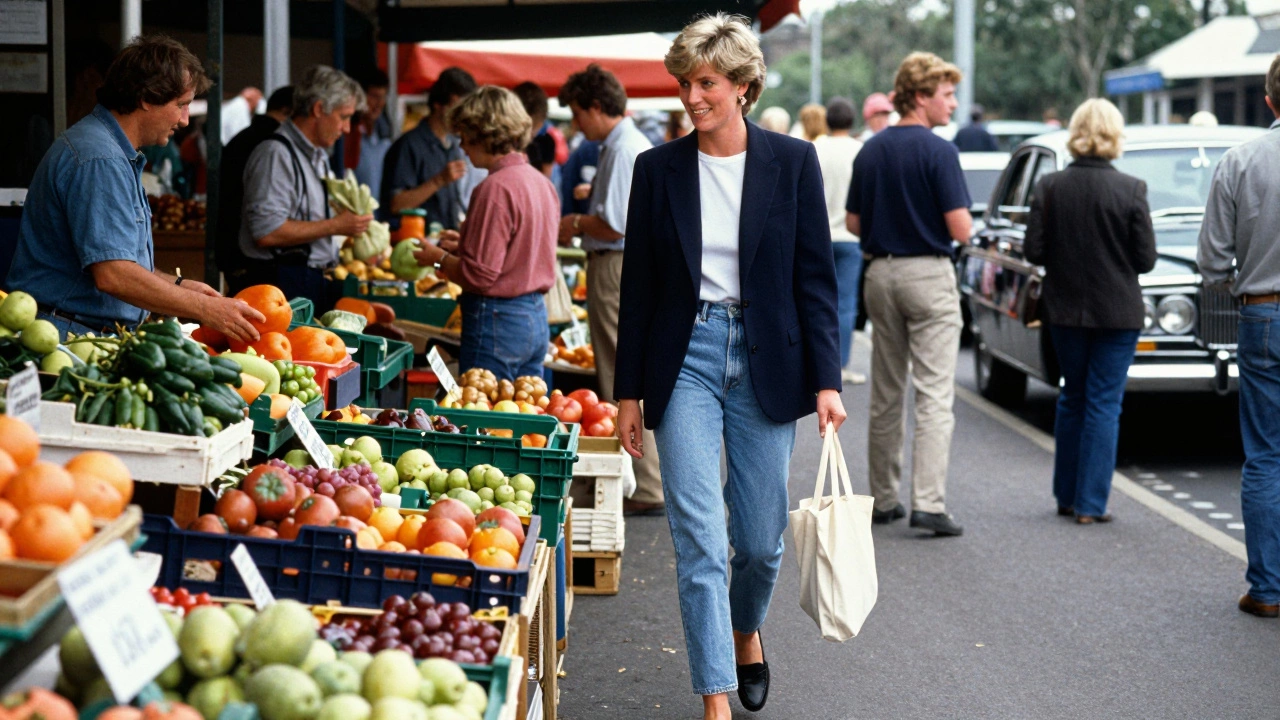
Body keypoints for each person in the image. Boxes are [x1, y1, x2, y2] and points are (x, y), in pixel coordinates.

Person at [615, 15, 844, 719]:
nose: (692, 95)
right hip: (684, 357)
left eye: (706, 82)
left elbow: (815, 279)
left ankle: (747, 630)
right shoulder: (658, 170)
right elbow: (641, 286)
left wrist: (829, 380)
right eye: (685, 82)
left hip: (767, 359)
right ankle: (715, 696)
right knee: (700, 539)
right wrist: (627, 394)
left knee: (760, 542)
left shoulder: (792, 162)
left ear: (743, 87)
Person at [6, 35, 263, 342]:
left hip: (76, 331)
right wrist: (205, 309)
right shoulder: (100, 158)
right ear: (147, 98)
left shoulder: (106, 150)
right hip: (67, 336)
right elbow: (113, 274)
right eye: (180, 105)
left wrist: (178, 286)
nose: (184, 120)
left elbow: (114, 261)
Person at [847, 51, 971, 537]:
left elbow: (855, 222)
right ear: (920, 96)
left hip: (880, 274)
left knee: (886, 391)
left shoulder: (871, 149)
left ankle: (884, 497)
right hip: (928, 275)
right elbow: (959, 227)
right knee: (934, 394)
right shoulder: (940, 151)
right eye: (946, 94)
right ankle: (929, 502)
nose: (953, 104)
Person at [1023, 99, 1156, 525]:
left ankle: (1065, 494)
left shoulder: (1049, 186)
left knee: (1072, 397)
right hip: (1118, 313)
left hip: (1064, 310)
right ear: (1116, 135)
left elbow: (1033, 251)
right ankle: (1091, 504)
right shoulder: (1132, 188)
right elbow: (1146, 259)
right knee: (1104, 404)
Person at [556, 64, 664, 515]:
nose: (577, 125)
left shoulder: (622, 150)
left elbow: (616, 224)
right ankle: (642, 479)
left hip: (615, 264)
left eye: (579, 114)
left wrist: (576, 222)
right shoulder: (622, 146)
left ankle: (646, 483)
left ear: (597, 108)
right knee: (625, 369)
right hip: (616, 264)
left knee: (621, 373)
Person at [1198, 53, 1280, 619]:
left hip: (1265, 314)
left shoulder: (1241, 160)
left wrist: (1239, 286)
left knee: (1266, 455)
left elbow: (1210, 261)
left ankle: (1268, 589)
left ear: (1270, 99)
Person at [407, 86, 559, 379]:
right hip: (535, 318)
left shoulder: (493, 189)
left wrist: (437, 258)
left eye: (464, 135)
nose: (461, 145)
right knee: (524, 416)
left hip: (497, 321)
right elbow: (521, 250)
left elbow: (479, 275)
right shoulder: (541, 183)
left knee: (483, 415)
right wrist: (466, 243)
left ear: (483, 133)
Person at [238, 65, 370, 314]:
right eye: (344, 117)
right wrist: (337, 225)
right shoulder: (275, 154)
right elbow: (267, 231)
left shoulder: (317, 155)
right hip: (279, 287)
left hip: (304, 283)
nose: (347, 128)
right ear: (319, 109)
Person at [218, 85, 294, 295]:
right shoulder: (274, 145)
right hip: (252, 256)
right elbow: (265, 227)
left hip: (231, 248)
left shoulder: (242, 137)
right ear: (288, 112)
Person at [380, 67, 476, 228]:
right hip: (415, 245)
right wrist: (439, 180)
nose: (461, 116)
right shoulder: (409, 145)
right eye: (456, 108)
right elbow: (396, 204)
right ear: (438, 104)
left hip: (443, 241)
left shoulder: (452, 144)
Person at [812, 97, 865, 385]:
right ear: (852, 120)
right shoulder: (860, 151)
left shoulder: (816, 148)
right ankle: (840, 367)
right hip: (850, 236)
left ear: (827, 120)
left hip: (819, 236)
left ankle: (815, 364)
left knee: (817, 303)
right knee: (845, 304)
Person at [344, 71, 394, 201]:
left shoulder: (385, 136)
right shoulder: (347, 132)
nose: (379, 103)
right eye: (374, 96)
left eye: (383, 97)